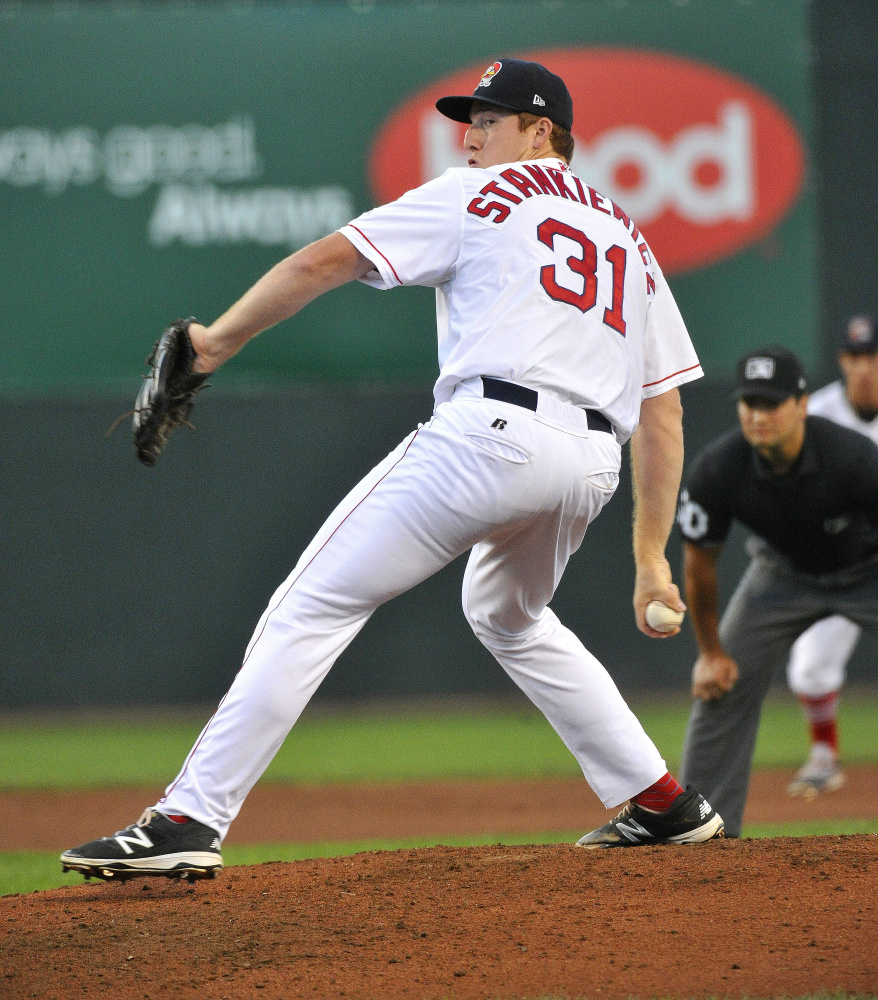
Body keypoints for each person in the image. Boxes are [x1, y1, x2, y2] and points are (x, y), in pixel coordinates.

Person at [61, 58, 723, 881]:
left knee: (311, 604)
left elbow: (319, 262)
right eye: (468, 118)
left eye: (489, 118)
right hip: (590, 464)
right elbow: (663, 407)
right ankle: (660, 801)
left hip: (490, 435)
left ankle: (189, 816)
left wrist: (214, 342)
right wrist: (651, 555)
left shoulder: (474, 195)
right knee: (510, 615)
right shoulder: (628, 233)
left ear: (540, 131)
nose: (470, 133)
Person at [677, 344, 878, 838]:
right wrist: (710, 652)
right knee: (721, 686)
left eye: (772, 403)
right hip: (782, 577)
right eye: (749, 403)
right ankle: (704, 833)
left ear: (802, 404)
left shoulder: (853, 458)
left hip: (868, 569)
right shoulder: (719, 468)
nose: (759, 415)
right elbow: (699, 564)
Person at [785, 315, 878, 798]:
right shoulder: (815, 416)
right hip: (838, 562)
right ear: (843, 361)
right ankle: (824, 755)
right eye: (856, 357)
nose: (865, 367)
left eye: (873, 356)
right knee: (809, 669)